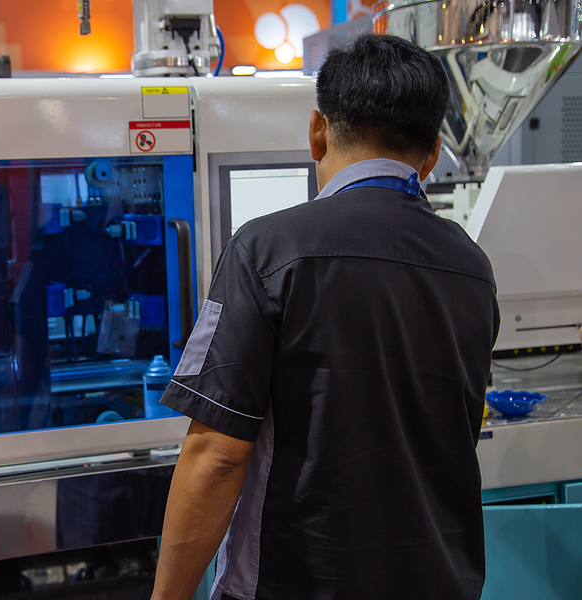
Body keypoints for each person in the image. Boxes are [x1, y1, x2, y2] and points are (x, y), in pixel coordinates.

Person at [152, 34, 500, 600]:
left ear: (318, 131)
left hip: (298, 583)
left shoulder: (266, 251)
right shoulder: (472, 267)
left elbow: (216, 454)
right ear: (433, 154)